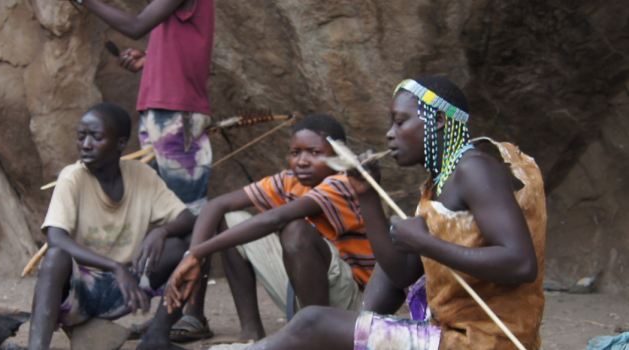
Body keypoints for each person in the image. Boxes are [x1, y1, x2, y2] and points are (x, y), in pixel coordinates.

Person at [225, 77, 545, 349]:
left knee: (311, 320)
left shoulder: (475, 168)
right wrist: (366, 194)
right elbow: (400, 274)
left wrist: (425, 244)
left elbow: (521, 263)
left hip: (482, 341)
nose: (390, 133)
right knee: (378, 267)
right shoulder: (438, 184)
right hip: (451, 333)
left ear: (439, 120)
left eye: (400, 120)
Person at [73, 0, 218, 339]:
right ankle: (173, 312)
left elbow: (137, 24)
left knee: (192, 218)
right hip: (163, 111)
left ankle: (191, 315)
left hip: (175, 113)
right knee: (172, 218)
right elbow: (177, 45)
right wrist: (151, 61)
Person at [163, 113, 374, 342]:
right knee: (231, 220)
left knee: (295, 230)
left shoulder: (344, 182)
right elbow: (217, 205)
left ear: (338, 156)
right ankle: (251, 334)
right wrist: (192, 258)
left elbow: (276, 219)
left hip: (352, 307)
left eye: (315, 153)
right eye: (295, 153)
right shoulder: (289, 180)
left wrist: (197, 252)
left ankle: (317, 339)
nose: (302, 161)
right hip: (306, 289)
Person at [29, 103, 198, 350]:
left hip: (128, 287)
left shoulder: (142, 176)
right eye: (81, 137)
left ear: (120, 143)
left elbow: (187, 218)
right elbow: (55, 239)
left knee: (192, 245)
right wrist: (114, 266)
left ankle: (156, 338)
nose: (85, 144)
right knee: (55, 257)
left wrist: (161, 232)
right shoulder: (72, 178)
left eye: (96, 138)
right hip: (81, 291)